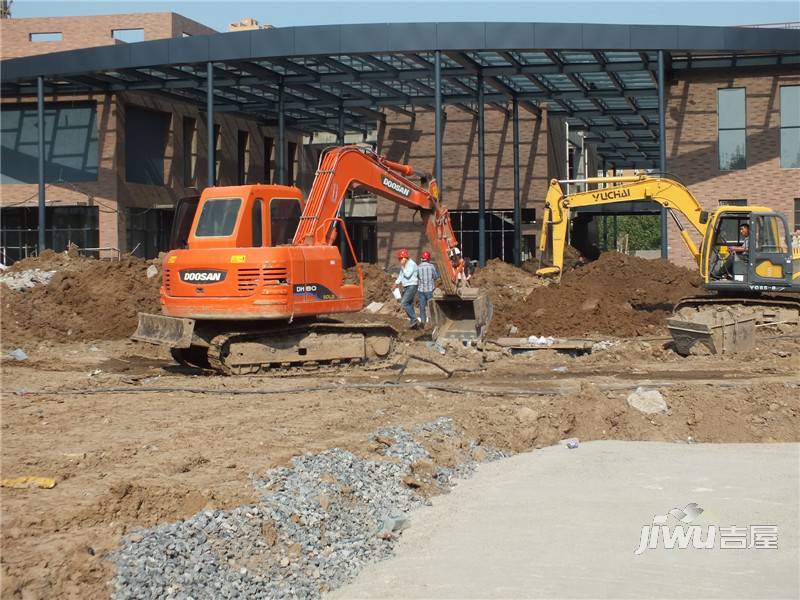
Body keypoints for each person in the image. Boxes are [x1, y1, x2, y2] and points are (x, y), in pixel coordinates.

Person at [393, 248, 420, 329]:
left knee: (404, 303)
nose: (400, 260)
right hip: (407, 286)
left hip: (412, 285)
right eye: (399, 259)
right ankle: (414, 323)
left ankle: (414, 319)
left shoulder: (411, 264)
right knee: (409, 304)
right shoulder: (404, 265)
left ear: (405, 257)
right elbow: (401, 275)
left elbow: (407, 274)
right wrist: (396, 283)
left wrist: (403, 266)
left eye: (401, 258)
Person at [417, 250, 440, 326]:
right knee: (431, 306)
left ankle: (423, 322)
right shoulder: (431, 266)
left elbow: (417, 277)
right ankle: (432, 322)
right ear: (428, 258)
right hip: (430, 290)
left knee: (422, 307)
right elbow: (436, 277)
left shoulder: (418, 267)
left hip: (421, 290)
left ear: (422, 258)